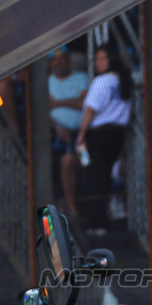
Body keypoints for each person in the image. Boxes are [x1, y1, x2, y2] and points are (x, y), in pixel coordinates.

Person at [75, 45, 133, 234]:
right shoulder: (122, 81)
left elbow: (90, 110)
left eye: (103, 58)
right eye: (97, 59)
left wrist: (81, 134)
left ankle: (97, 222)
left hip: (99, 134)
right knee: (104, 176)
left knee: (96, 178)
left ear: (111, 60)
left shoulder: (102, 81)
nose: (99, 63)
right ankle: (101, 219)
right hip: (117, 135)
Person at [48, 48, 89, 210]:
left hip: (81, 136)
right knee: (66, 161)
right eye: (55, 60)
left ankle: (91, 202)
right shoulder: (47, 82)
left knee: (86, 163)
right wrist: (58, 126)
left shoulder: (81, 77)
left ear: (68, 60)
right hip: (60, 139)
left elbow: (84, 104)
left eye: (62, 58)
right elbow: (45, 109)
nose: (59, 62)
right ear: (51, 64)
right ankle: (73, 209)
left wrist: (58, 103)